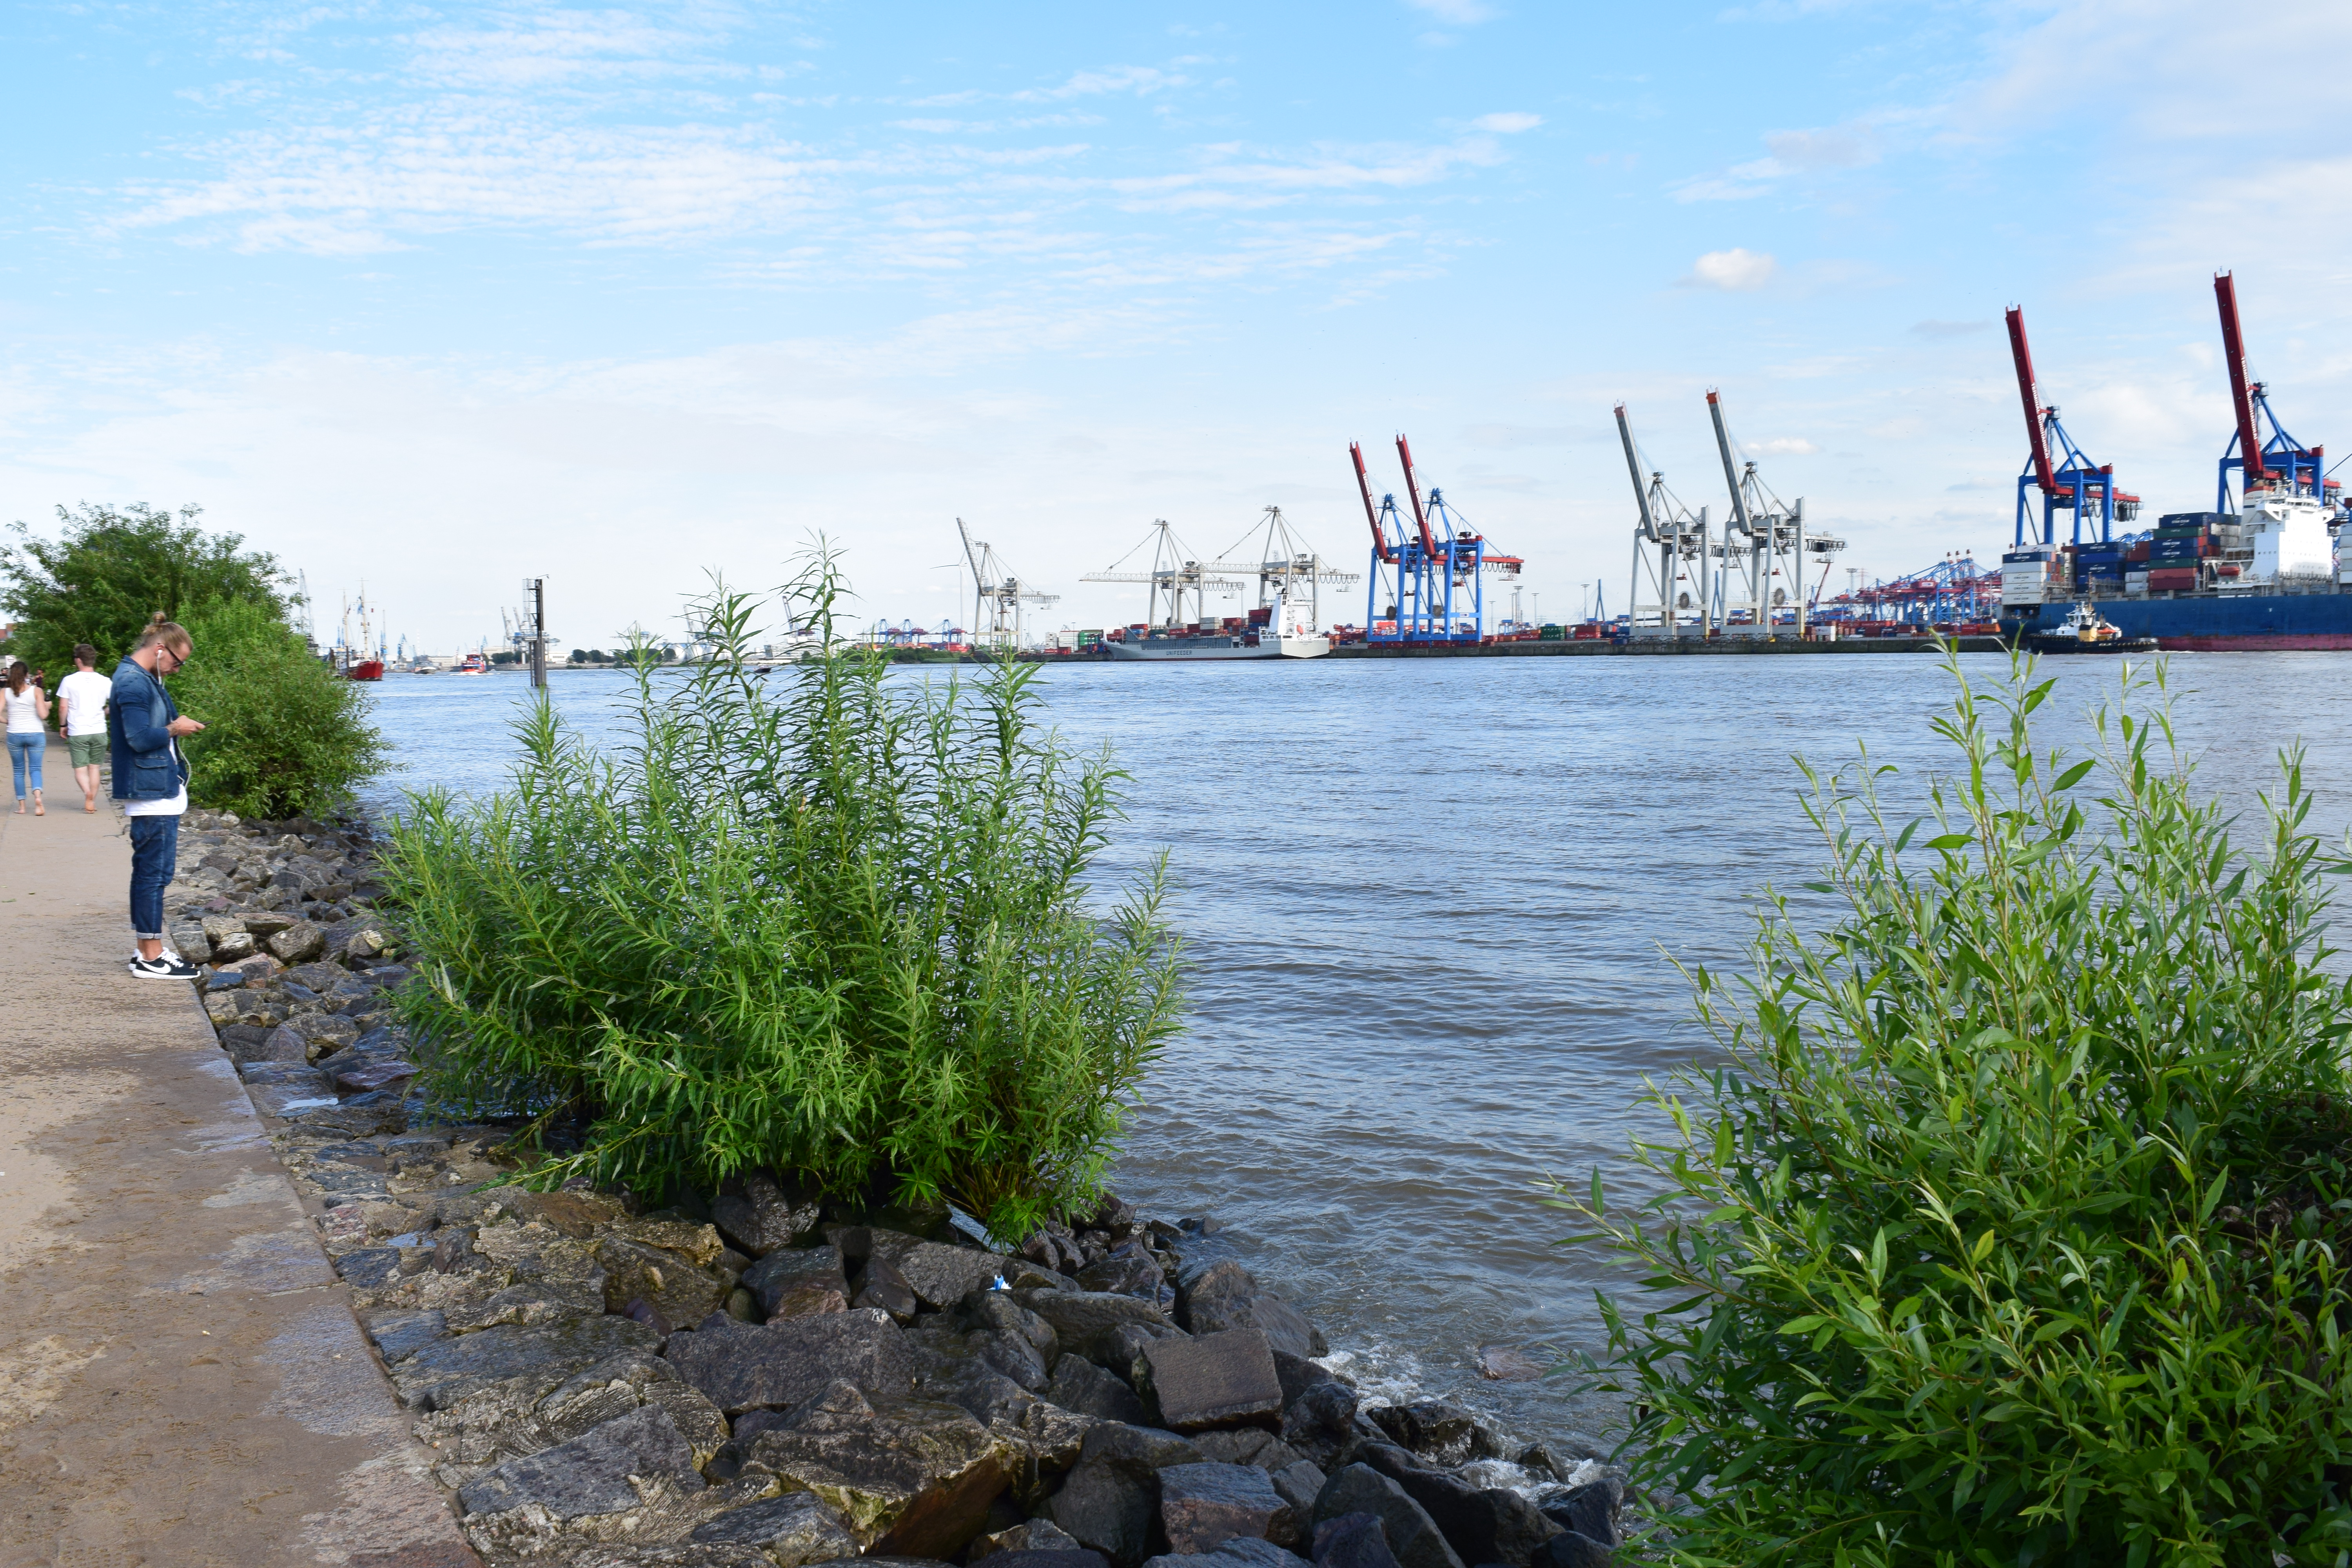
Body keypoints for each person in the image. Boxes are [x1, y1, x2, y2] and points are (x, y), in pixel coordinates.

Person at [110, 615, 205, 979]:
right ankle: (151, 958)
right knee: (153, 875)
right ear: (160, 649)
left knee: (152, 873)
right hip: (151, 793)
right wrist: (173, 728)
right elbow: (137, 738)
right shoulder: (134, 682)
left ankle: (146, 951)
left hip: (155, 789)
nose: (179, 669)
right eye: (177, 662)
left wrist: (173, 724)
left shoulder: (143, 677)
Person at [56, 644, 111, 814]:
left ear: (78, 660)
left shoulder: (69, 681)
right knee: (94, 768)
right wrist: (104, 713)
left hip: (78, 730)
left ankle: (87, 794)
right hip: (99, 730)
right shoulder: (106, 681)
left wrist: (63, 725)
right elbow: (116, 705)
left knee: (80, 769)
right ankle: (92, 800)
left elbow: (63, 707)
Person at [3, 660, 50, 816]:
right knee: (36, 769)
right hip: (35, 734)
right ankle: (38, 799)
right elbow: (43, 715)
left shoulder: (5, 692)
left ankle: (22, 807)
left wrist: (7, 720)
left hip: (14, 734)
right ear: (27, 675)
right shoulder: (36, 691)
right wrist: (48, 707)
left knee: (18, 771)